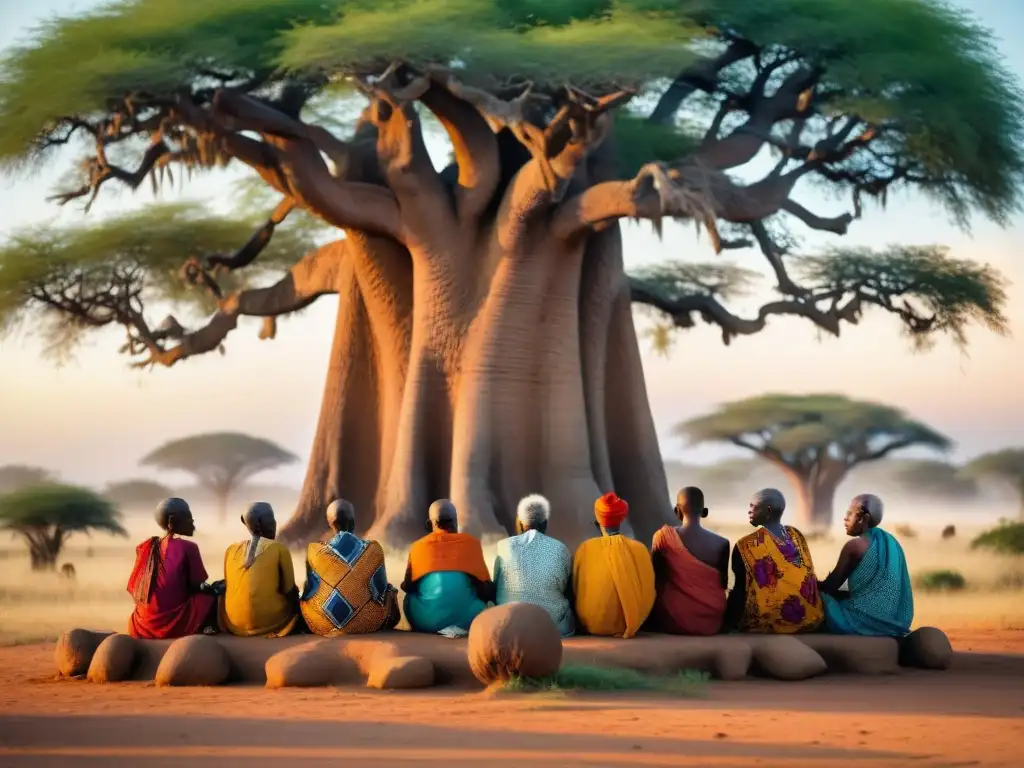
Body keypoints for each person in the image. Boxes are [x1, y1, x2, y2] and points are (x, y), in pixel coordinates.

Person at [724, 489, 824, 633]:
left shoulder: (746, 545)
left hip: (770, 621)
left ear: (768, 510)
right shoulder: (795, 534)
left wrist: (728, 619)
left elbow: (740, 590)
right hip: (809, 616)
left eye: (753, 506)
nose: (749, 511)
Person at [299, 499, 401, 636]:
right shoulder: (373, 550)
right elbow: (380, 591)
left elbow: (309, 592)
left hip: (322, 624)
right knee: (390, 591)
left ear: (330, 523)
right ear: (353, 521)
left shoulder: (314, 551)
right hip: (367, 623)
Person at [818, 494, 914, 637]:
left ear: (864, 519)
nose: (845, 518)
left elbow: (831, 587)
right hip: (893, 621)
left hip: (862, 619)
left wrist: (811, 583)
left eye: (850, 514)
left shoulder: (855, 546)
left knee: (818, 598)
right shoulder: (892, 542)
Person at [127, 498, 221, 639]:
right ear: (173, 522)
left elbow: (134, 588)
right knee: (209, 597)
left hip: (142, 624)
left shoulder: (147, 546)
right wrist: (213, 589)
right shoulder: (188, 547)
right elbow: (196, 585)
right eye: (189, 518)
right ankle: (208, 628)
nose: (193, 522)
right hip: (170, 624)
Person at [402, 499, 494, 635]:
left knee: (408, 599)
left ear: (429, 524)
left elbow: (408, 586)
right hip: (467, 621)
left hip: (426, 622)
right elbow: (485, 589)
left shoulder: (417, 547)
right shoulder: (471, 544)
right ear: (455, 522)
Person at [572, 492, 656, 639]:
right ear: (622, 518)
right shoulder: (639, 549)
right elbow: (649, 592)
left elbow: (575, 587)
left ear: (597, 519)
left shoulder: (585, 548)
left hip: (592, 623)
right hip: (631, 622)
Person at [492, 494, 575, 637]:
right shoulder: (560, 548)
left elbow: (496, 585)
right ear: (545, 523)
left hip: (509, 625)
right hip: (551, 627)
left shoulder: (504, 546)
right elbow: (567, 589)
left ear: (520, 523)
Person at [650, 487, 729, 635]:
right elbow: (723, 583)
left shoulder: (662, 537)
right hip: (711, 620)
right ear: (704, 512)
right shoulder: (722, 543)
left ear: (676, 511)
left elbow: (655, 578)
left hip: (672, 618)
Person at [220, 502, 301, 638]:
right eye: (272, 519)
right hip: (272, 622)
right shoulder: (279, 548)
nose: (275, 523)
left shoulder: (230, 550)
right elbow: (289, 590)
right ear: (264, 523)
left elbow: (229, 585)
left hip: (235, 624)